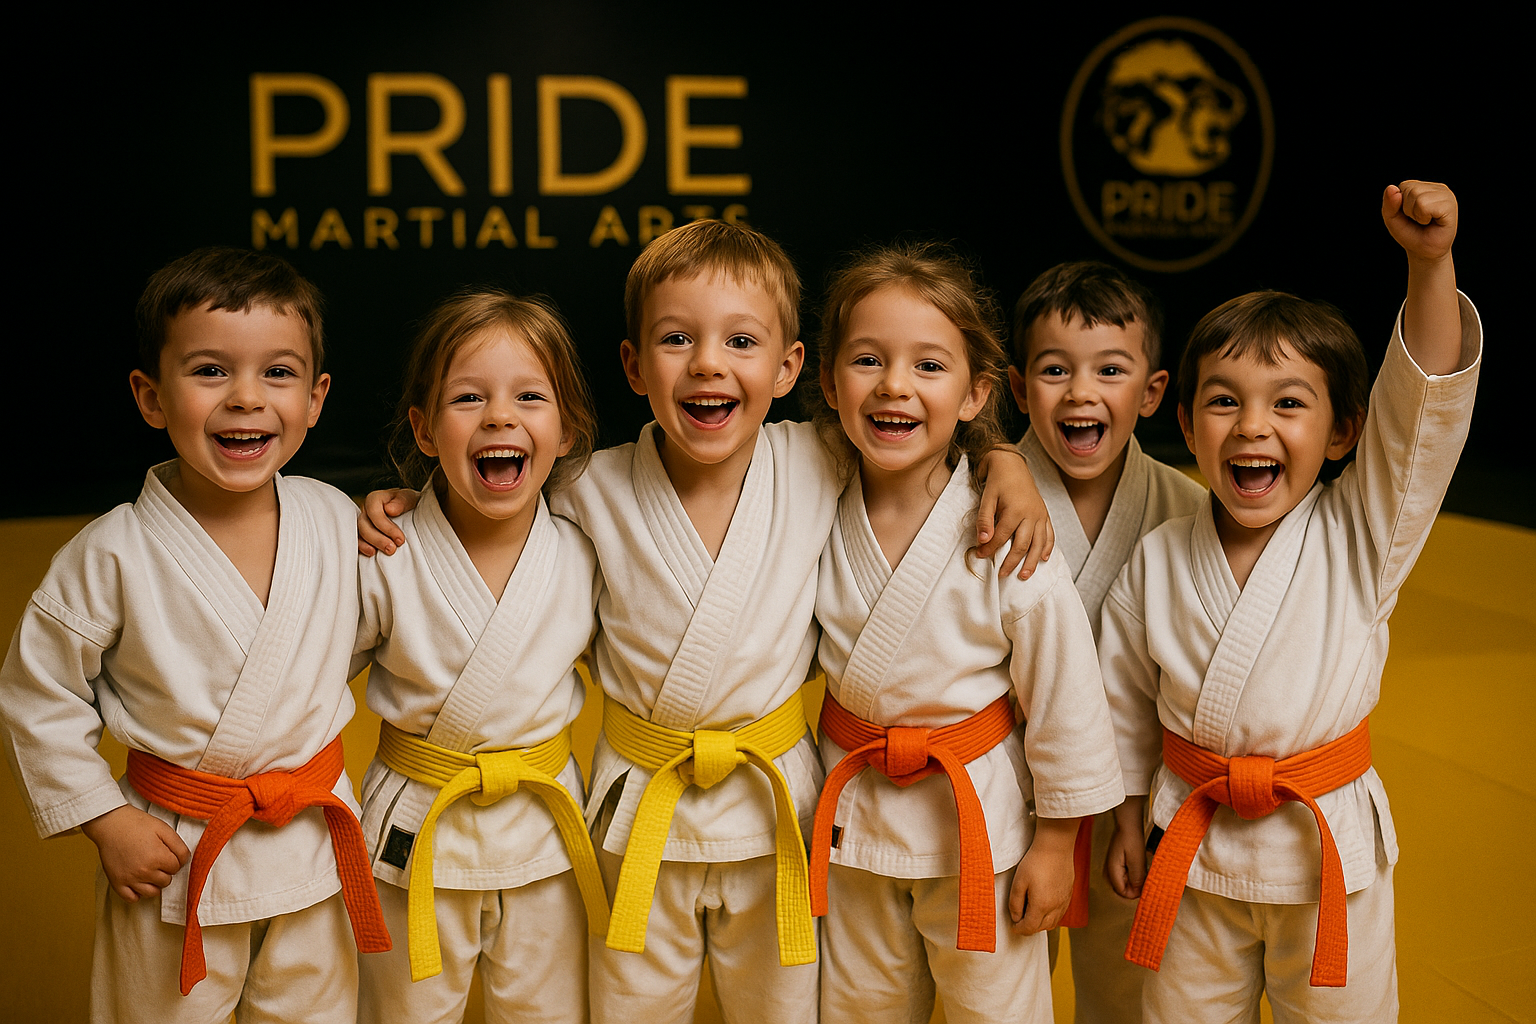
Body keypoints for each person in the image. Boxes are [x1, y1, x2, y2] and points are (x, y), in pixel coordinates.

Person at [358, 218, 1054, 1023]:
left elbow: (919, 439)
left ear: (791, 368)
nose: (708, 364)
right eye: (677, 339)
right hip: (639, 814)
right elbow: (492, 494)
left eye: (741, 342)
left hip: (775, 810)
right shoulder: (590, 486)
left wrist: (1003, 460)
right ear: (634, 365)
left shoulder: (819, 458)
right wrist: (406, 504)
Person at [1099, 181, 1480, 1023]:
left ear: (1343, 433)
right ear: (1188, 426)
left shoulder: (1364, 533)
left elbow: (1419, 418)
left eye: (1288, 403)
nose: (1252, 426)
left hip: (1323, 851)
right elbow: (1123, 709)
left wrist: (1430, 264)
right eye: (1224, 401)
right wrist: (1126, 820)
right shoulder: (1156, 560)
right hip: (1190, 847)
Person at [0, 247, 389, 1023]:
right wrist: (105, 817)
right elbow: (38, 691)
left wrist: (403, 512)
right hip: (172, 852)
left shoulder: (334, 519)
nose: (246, 397)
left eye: (277, 373)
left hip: (311, 838)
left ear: (316, 398)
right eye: (210, 371)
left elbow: (362, 636)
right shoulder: (111, 553)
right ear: (151, 397)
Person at [805, 243, 1124, 1024]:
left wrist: (1056, 845)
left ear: (977, 392)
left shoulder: (1005, 531)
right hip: (854, 824)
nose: (895, 385)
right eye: (868, 360)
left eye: (929, 365)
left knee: (997, 1011)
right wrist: (1004, 455)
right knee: (859, 1011)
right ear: (829, 382)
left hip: (979, 828)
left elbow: (1066, 699)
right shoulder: (808, 499)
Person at [352, 289, 611, 1023]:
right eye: (468, 398)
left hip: (544, 834)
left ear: (566, 430)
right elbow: (304, 684)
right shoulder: (387, 554)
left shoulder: (585, 552)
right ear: (425, 430)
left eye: (530, 396)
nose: (500, 416)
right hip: (414, 834)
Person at [1007, 261, 1204, 1024]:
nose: (1081, 393)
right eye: (1055, 370)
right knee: (999, 992)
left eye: (1110, 371)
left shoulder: (1185, 509)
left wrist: (1142, 805)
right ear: (1019, 388)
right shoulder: (982, 496)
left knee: (1126, 996)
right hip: (1010, 789)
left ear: (1151, 392)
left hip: (1136, 793)